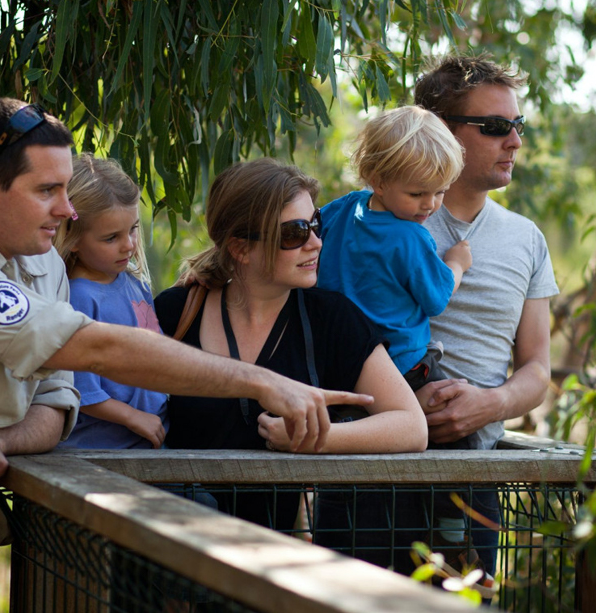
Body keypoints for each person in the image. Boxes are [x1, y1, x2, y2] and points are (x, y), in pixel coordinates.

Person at [0, 99, 371, 613]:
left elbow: (56, 402)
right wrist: (262, 382)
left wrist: (2, 439)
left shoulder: (39, 266)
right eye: (47, 191)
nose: (67, 210)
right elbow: (97, 349)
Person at [154, 158, 427, 528]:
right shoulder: (176, 313)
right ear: (240, 248)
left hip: (274, 562)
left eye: (316, 224)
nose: (315, 242)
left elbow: (411, 426)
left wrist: (317, 437)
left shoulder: (330, 319)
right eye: (294, 233)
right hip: (169, 546)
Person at [414, 56, 560, 580]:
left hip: (477, 478)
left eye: (517, 125)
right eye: (496, 127)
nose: (515, 141)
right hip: (369, 472)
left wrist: (488, 404)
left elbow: (537, 370)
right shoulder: (371, 222)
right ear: (442, 132)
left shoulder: (527, 239)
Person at [315, 105, 475, 543]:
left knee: (353, 475)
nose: (430, 205)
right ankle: (451, 524)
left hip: (345, 370)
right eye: (418, 194)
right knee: (459, 437)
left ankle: (337, 541)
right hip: (404, 367)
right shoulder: (410, 237)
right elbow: (437, 297)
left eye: (440, 192)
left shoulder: (339, 211)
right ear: (378, 180)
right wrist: (456, 263)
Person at [52, 154, 168, 450]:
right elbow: (80, 389)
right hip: (105, 453)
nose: (128, 244)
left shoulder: (133, 283)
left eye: (132, 229)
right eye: (111, 237)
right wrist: (133, 417)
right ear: (73, 237)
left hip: (151, 442)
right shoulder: (76, 298)